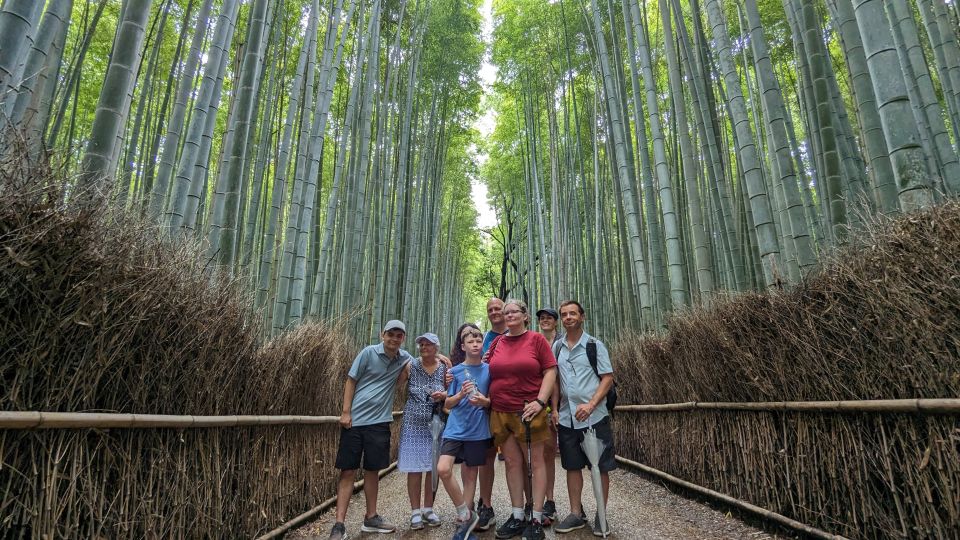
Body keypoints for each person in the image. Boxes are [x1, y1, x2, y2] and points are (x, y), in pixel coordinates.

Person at [329, 320, 413, 540]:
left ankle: (371, 517)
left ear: (403, 339)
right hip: (355, 422)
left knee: (372, 471)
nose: (394, 339)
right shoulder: (368, 353)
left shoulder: (404, 358)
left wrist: (442, 358)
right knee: (347, 470)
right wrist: (346, 412)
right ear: (382, 334)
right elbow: (350, 380)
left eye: (399, 336)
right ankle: (339, 524)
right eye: (391, 334)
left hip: (380, 423)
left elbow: (423, 363)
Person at [487, 299, 557, 540]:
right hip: (500, 411)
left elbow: (550, 370)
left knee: (536, 463)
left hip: (529, 410)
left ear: (525, 316)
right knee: (512, 463)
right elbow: (484, 368)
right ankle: (518, 515)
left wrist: (540, 402)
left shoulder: (536, 340)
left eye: (514, 311)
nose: (508, 315)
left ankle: (536, 517)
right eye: (506, 313)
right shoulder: (497, 341)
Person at [550, 301, 616, 537]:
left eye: (573, 313)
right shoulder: (556, 347)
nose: (568, 317)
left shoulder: (594, 345)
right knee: (572, 466)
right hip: (567, 417)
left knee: (601, 466)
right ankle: (576, 513)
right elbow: (555, 380)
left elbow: (607, 378)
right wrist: (555, 408)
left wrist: (590, 404)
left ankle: (601, 513)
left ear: (582, 317)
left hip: (594, 417)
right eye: (564, 314)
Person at [438, 326, 492, 540]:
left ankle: (465, 527)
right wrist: (460, 393)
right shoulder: (454, 372)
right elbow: (447, 403)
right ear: (463, 346)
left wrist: (484, 401)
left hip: (478, 430)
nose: (475, 343)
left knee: (471, 476)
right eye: (470, 341)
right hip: (455, 429)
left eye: (478, 340)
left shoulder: (490, 369)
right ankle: (464, 512)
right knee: (443, 469)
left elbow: (491, 400)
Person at [398, 332, 448, 530]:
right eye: (422, 344)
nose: (425, 347)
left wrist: (443, 394)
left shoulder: (445, 367)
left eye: (429, 344)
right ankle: (415, 512)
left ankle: (428, 509)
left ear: (437, 347)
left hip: (436, 424)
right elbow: (396, 384)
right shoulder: (411, 365)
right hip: (413, 423)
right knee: (414, 468)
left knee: (432, 467)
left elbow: (452, 392)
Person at [535, 307, 562, 525]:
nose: (545, 321)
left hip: (560, 403)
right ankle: (534, 503)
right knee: (535, 456)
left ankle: (550, 500)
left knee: (548, 453)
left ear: (556, 322)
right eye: (542, 318)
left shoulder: (563, 342)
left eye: (549, 318)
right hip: (535, 403)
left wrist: (554, 408)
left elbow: (556, 378)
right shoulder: (533, 341)